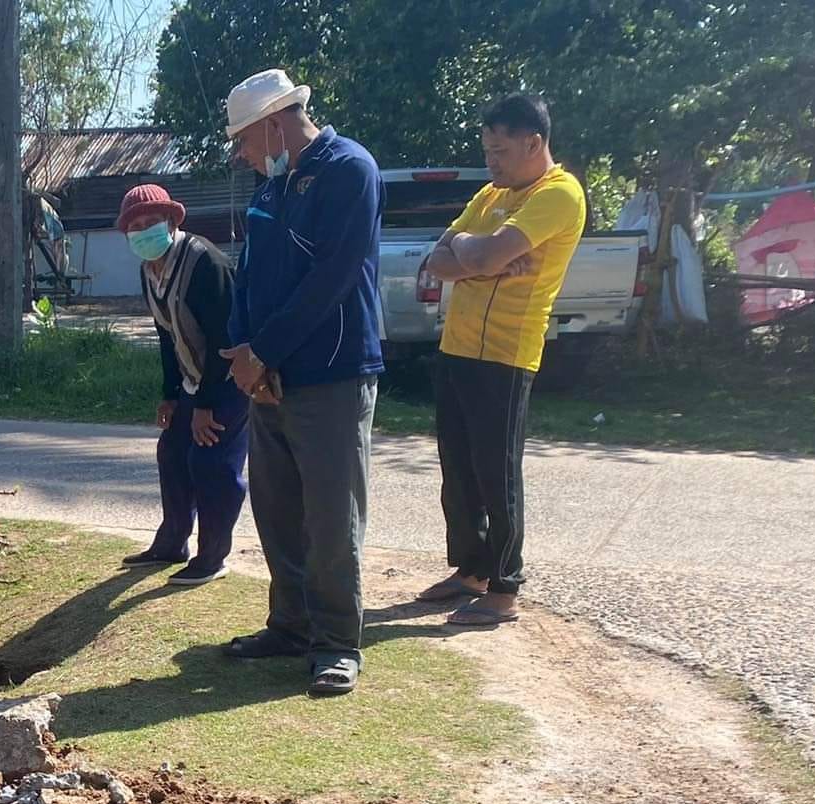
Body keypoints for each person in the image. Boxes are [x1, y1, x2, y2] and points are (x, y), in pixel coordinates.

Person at [219, 68, 383, 698]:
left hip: (331, 375)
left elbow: (332, 279)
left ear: (273, 124)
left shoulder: (349, 170)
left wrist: (265, 351)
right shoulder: (274, 184)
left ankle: (337, 643)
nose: (241, 155)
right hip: (267, 374)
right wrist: (243, 351)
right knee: (279, 509)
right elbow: (250, 271)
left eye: (244, 141)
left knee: (331, 516)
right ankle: (289, 626)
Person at [416, 93, 587, 627]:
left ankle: (504, 588)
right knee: (458, 471)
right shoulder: (491, 195)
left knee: (497, 473)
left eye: (500, 150)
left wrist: (473, 255)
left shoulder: (560, 194)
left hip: (507, 356)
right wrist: (481, 255)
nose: (491, 161)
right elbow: (435, 261)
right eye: (487, 150)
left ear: (534, 143)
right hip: (457, 349)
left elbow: (470, 256)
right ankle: (472, 570)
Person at [115, 182, 247, 586]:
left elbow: (225, 339)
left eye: (152, 222)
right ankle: (173, 543)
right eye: (135, 226)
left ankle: (213, 556)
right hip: (192, 382)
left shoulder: (205, 262)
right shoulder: (149, 270)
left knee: (211, 464)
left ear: (172, 221)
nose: (143, 231)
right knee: (172, 452)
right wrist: (171, 396)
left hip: (228, 379)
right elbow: (166, 334)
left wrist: (206, 404)